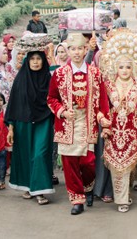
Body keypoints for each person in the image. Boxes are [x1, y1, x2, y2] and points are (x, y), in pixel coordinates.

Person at [47, 33, 111, 215]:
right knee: (70, 164)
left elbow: (102, 102)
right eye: (72, 49)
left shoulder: (95, 73)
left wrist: (103, 120)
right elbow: (51, 98)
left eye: (79, 49)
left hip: (87, 123)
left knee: (88, 163)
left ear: (85, 50)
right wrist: (62, 111)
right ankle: (77, 199)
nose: (76, 52)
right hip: (67, 125)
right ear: (68, 50)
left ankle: (88, 187)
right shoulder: (59, 74)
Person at [100, 29, 137, 213]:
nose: (124, 70)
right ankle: (121, 199)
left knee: (127, 168)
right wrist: (104, 124)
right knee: (116, 168)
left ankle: (124, 195)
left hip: (131, 135)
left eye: (128, 67)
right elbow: (102, 108)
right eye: (121, 67)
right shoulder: (108, 85)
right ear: (115, 67)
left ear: (133, 68)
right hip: (113, 134)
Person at [6, 37, 56, 205]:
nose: (35, 62)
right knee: (26, 155)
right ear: (28, 61)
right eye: (32, 59)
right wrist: (11, 127)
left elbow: (55, 99)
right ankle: (29, 186)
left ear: (43, 61)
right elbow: (13, 104)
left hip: (44, 121)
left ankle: (40, 190)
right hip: (24, 123)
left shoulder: (48, 80)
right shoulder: (20, 80)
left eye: (38, 59)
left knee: (40, 154)